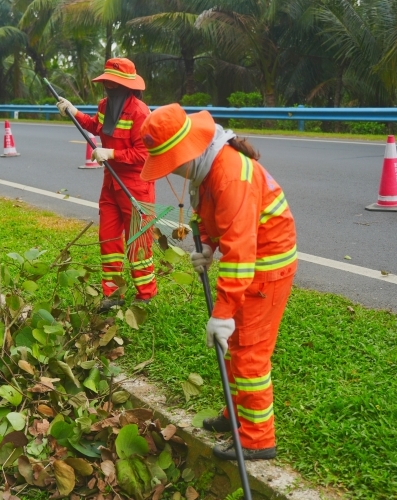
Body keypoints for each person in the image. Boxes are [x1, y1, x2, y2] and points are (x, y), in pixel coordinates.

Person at [138, 104, 297, 461]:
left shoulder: (229, 175)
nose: (172, 172)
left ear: (186, 151)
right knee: (233, 347)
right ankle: (235, 413)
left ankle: (257, 438)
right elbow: (208, 212)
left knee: (249, 354)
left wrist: (223, 311)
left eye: (170, 163)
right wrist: (208, 245)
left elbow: (241, 254)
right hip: (251, 260)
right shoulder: (207, 169)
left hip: (266, 266)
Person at [55, 58, 157, 310]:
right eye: (107, 82)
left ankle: (146, 294)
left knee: (138, 244)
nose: (109, 87)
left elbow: (144, 154)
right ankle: (113, 295)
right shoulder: (104, 105)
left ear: (126, 85)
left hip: (136, 187)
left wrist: (111, 154)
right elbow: (96, 126)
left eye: (114, 83)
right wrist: (73, 111)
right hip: (111, 185)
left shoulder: (140, 112)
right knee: (108, 240)